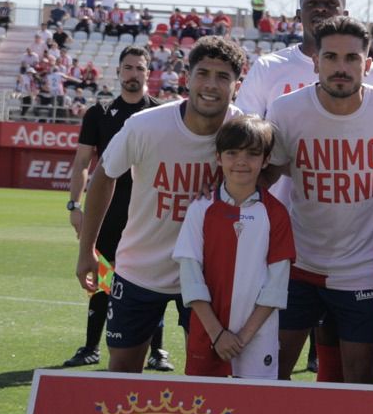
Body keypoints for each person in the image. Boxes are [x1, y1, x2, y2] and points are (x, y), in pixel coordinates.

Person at [266, 16, 373, 385]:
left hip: (364, 268)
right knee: (272, 371)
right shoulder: (286, 111)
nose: (341, 67)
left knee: (359, 379)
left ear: (367, 65)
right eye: (332, 57)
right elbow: (263, 180)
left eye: (352, 58)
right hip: (299, 262)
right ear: (315, 62)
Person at [75, 36, 247, 374]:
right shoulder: (145, 125)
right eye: (203, 74)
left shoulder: (242, 130)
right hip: (141, 268)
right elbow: (103, 176)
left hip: (207, 276)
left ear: (237, 84)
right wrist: (87, 251)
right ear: (186, 77)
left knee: (208, 375)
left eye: (223, 77)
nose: (211, 85)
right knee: (122, 370)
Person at [174, 115, 296, 379]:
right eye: (232, 153)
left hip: (256, 338)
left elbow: (276, 287)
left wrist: (241, 338)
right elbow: (191, 278)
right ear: (218, 157)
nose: (241, 161)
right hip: (208, 334)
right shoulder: (200, 209)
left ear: (265, 160)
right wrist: (218, 334)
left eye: (252, 154)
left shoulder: (276, 214)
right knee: (202, 413)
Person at [62, 46, 161, 368]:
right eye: (128, 67)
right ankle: (91, 346)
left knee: (151, 279)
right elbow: (81, 163)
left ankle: (157, 352)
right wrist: (75, 205)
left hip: (147, 212)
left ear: (149, 73)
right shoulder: (99, 114)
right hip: (106, 211)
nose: (134, 73)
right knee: (101, 277)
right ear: (119, 72)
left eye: (140, 68)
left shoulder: (161, 114)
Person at [237, 0, 373, 113]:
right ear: (298, 15)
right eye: (312, 3)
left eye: (330, 3)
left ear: (345, 15)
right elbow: (245, 130)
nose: (320, 9)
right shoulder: (268, 67)